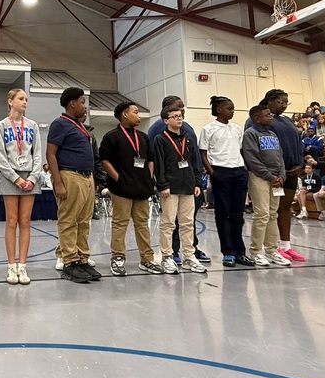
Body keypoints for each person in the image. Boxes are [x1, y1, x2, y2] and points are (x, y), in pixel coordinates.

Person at [47, 87, 102, 284]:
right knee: (68, 220)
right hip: (70, 175)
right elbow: (51, 154)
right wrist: (59, 183)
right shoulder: (60, 124)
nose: (85, 107)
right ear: (72, 103)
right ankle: (69, 261)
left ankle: (82, 258)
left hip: (87, 178)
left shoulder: (80, 125)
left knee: (84, 221)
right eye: (82, 102)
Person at [147, 95, 211, 264]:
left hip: (188, 182)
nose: (182, 111)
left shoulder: (186, 129)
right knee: (170, 220)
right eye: (178, 108)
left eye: (182, 108)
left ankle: (191, 250)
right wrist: (160, 183)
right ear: (167, 111)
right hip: (170, 183)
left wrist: (197, 179)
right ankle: (171, 252)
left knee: (188, 220)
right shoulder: (157, 131)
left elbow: (192, 155)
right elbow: (156, 159)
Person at [100, 101, 158, 275]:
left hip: (142, 188)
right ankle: (117, 258)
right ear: (124, 114)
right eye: (135, 112)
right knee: (120, 224)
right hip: (121, 189)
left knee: (142, 224)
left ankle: (147, 259)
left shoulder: (143, 136)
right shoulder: (112, 137)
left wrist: (149, 177)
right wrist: (117, 178)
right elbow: (104, 161)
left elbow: (150, 159)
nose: (139, 115)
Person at [0, 88, 43, 285]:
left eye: (26, 99)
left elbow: (38, 153)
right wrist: (15, 178)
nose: (25, 102)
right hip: (9, 176)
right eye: (21, 99)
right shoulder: (1, 126)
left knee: (25, 221)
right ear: (10, 101)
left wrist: (32, 177)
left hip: (29, 176)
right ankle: (11, 266)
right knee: (11, 221)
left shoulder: (32, 125)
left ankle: (22, 267)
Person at [199, 96, 254, 268]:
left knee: (238, 214)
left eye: (233, 108)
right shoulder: (208, 129)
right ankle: (228, 252)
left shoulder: (237, 129)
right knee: (223, 214)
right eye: (229, 108)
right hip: (220, 171)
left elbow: (239, 150)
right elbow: (203, 153)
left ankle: (240, 252)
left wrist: (244, 168)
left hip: (238, 171)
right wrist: (212, 173)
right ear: (218, 110)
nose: (232, 111)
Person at [256, 89, 305, 261]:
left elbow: (297, 143)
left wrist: (300, 164)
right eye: (280, 102)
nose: (284, 105)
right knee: (271, 211)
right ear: (269, 101)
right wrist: (275, 170)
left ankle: (286, 245)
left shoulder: (287, 121)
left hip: (292, 170)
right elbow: (260, 147)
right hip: (274, 173)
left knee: (285, 208)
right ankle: (271, 246)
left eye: (286, 102)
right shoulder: (260, 119)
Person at [241, 105, 291, 268]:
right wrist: (269, 176)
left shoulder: (272, 134)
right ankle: (256, 251)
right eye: (267, 115)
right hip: (260, 178)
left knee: (272, 214)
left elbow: (280, 157)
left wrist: (282, 175)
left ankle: (271, 250)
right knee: (261, 214)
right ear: (257, 118)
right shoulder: (250, 134)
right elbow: (252, 158)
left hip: (276, 179)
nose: (271, 117)